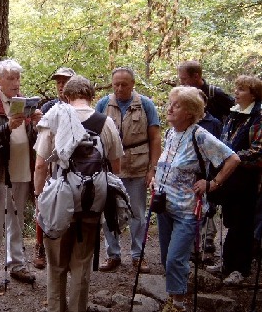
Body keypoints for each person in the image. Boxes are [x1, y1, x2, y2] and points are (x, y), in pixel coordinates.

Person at [33, 75, 123, 312]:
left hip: (59, 201)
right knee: (82, 265)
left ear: (66, 95)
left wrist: (38, 197)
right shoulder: (106, 122)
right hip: (92, 202)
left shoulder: (53, 118)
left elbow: (41, 165)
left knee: (56, 265)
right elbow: (116, 167)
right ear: (91, 96)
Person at [153, 86, 240, 311]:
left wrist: (213, 183)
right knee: (166, 259)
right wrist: (156, 180)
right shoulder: (172, 132)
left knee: (175, 259)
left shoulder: (199, 134)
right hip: (164, 206)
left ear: (190, 112)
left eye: (177, 105)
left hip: (187, 210)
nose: (170, 108)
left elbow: (233, 159)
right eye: (170, 103)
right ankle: (173, 298)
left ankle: (178, 304)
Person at [0, 59, 42, 291]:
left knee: (17, 220)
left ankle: (17, 264)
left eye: (18, 78)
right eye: (10, 78)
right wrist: (6, 127)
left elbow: (31, 138)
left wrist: (36, 124)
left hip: (23, 169)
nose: (15, 82)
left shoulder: (24, 102)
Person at [95, 67, 161, 273]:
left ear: (133, 84)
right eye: (116, 84)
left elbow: (155, 138)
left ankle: (138, 255)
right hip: (109, 167)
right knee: (108, 213)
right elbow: (95, 136)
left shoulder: (145, 105)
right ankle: (113, 254)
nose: (120, 88)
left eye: (124, 84)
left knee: (138, 214)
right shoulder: (104, 104)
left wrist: (153, 169)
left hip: (137, 166)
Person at [206, 75, 262, 285]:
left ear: (254, 94)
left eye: (242, 89)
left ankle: (241, 268)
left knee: (243, 224)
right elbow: (222, 142)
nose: (236, 92)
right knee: (231, 222)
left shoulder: (258, 117)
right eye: (236, 88)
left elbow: (258, 151)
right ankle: (228, 263)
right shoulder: (233, 115)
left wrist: (232, 159)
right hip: (230, 178)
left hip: (248, 180)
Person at [33, 66, 76, 269]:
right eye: (58, 82)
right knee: (44, 202)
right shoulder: (49, 106)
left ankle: (68, 246)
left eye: (65, 81)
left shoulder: (79, 107)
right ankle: (40, 245)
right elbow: (40, 138)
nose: (61, 85)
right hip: (49, 164)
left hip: (73, 167)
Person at [197, 91, 223, 254]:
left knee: (209, 207)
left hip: (210, 172)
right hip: (193, 172)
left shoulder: (213, 123)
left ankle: (207, 240)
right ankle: (196, 243)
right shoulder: (181, 123)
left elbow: (222, 151)